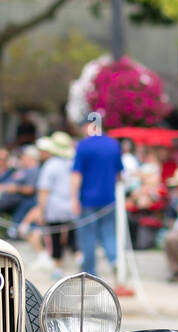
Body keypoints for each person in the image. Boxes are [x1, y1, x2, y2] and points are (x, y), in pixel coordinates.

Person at [69, 111, 126, 288]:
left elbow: (76, 174)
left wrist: (73, 198)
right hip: (109, 199)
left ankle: (91, 274)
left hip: (87, 199)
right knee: (109, 234)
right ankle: (115, 262)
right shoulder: (113, 144)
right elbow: (119, 174)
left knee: (88, 237)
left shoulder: (83, 146)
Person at [26, 132, 76, 277]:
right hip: (71, 206)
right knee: (72, 236)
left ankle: (58, 266)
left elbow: (43, 191)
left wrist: (41, 210)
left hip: (54, 207)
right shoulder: (72, 163)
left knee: (55, 237)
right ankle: (79, 260)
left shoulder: (50, 166)